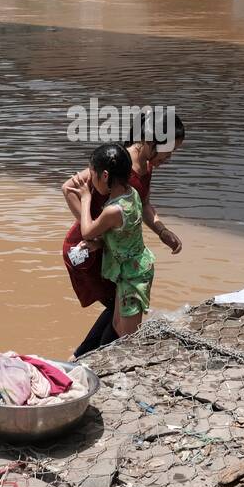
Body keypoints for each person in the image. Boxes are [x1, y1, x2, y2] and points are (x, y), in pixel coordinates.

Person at [62, 115, 185, 357]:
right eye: (168, 152)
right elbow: (69, 188)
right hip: (89, 248)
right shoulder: (118, 161)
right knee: (118, 307)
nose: (169, 159)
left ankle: (84, 357)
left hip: (113, 248)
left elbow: (145, 203)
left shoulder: (146, 166)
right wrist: (96, 236)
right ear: (150, 141)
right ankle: (90, 358)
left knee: (118, 306)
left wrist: (162, 231)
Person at [76, 144, 155, 340]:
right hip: (133, 268)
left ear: (104, 176)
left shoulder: (113, 210)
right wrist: (99, 244)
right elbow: (124, 236)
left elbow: (86, 231)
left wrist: (85, 199)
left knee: (127, 336)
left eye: (92, 176)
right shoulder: (132, 193)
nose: (92, 183)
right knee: (118, 326)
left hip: (133, 274)